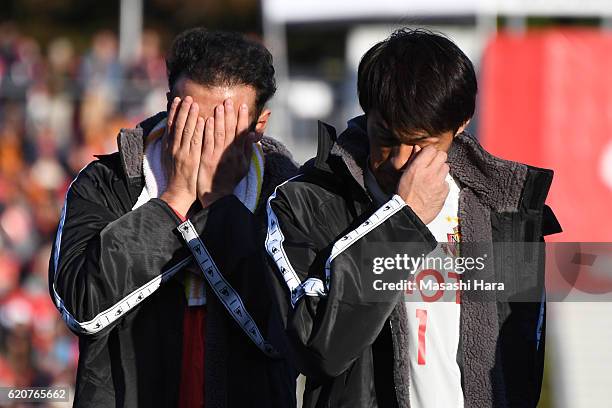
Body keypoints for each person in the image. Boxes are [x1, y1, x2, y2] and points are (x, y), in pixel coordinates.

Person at [264, 28, 562, 408]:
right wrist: (403, 221)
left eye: (421, 143)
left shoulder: (504, 209)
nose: (400, 160)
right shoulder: (307, 201)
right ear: (365, 113)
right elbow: (319, 351)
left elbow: (517, 364)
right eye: (385, 137)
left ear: (461, 124)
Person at [49, 28, 297, 408]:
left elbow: (286, 333)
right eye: (193, 121)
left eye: (224, 127)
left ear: (258, 126)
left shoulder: (287, 191)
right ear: (170, 104)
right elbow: (81, 308)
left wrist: (218, 201)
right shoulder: (108, 182)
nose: (205, 141)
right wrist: (176, 198)